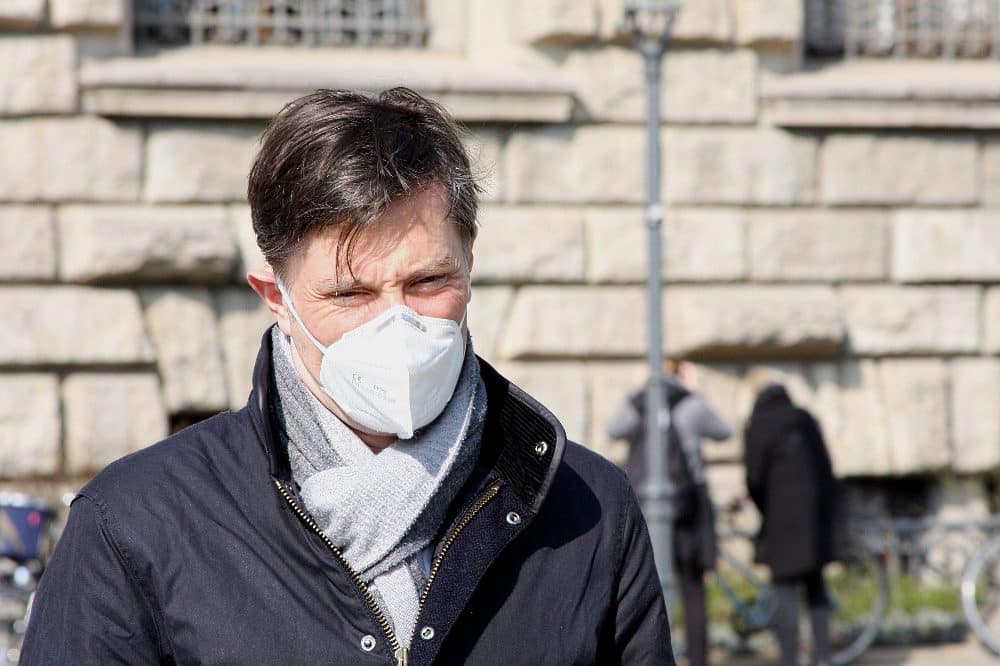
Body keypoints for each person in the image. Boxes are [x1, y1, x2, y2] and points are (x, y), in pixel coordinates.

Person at [20, 88, 673, 665]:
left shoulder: (590, 508)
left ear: (470, 265)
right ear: (276, 297)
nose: (396, 323)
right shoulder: (137, 522)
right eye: (348, 295)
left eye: (428, 282)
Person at [608, 361, 732, 666]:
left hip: (645, 504)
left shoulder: (640, 403)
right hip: (689, 507)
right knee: (693, 586)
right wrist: (695, 391)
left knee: (645, 586)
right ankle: (698, 658)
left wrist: (637, 390)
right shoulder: (690, 404)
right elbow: (724, 431)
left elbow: (613, 429)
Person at [744, 384, 840, 666]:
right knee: (816, 587)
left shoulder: (758, 424)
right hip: (813, 519)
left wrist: (765, 509)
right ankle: (823, 657)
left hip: (780, 519)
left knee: (785, 591)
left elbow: (754, 478)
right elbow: (825, 468)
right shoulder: (805, 418)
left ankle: (789, 658)